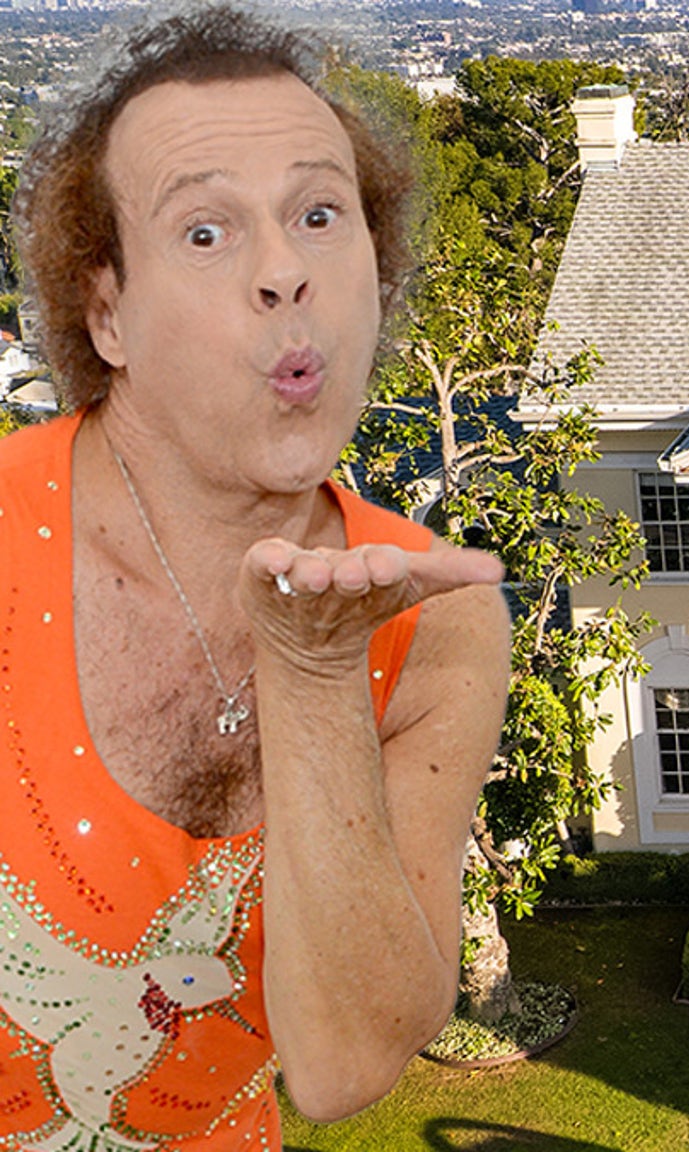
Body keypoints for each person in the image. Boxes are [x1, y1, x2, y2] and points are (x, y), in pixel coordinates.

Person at [0, 7, 510, 1148]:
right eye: (205, 232)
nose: (285, 273)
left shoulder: (435, 617)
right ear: (107, 314)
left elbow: (345, 1065)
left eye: (319, 215)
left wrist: (315, 671)